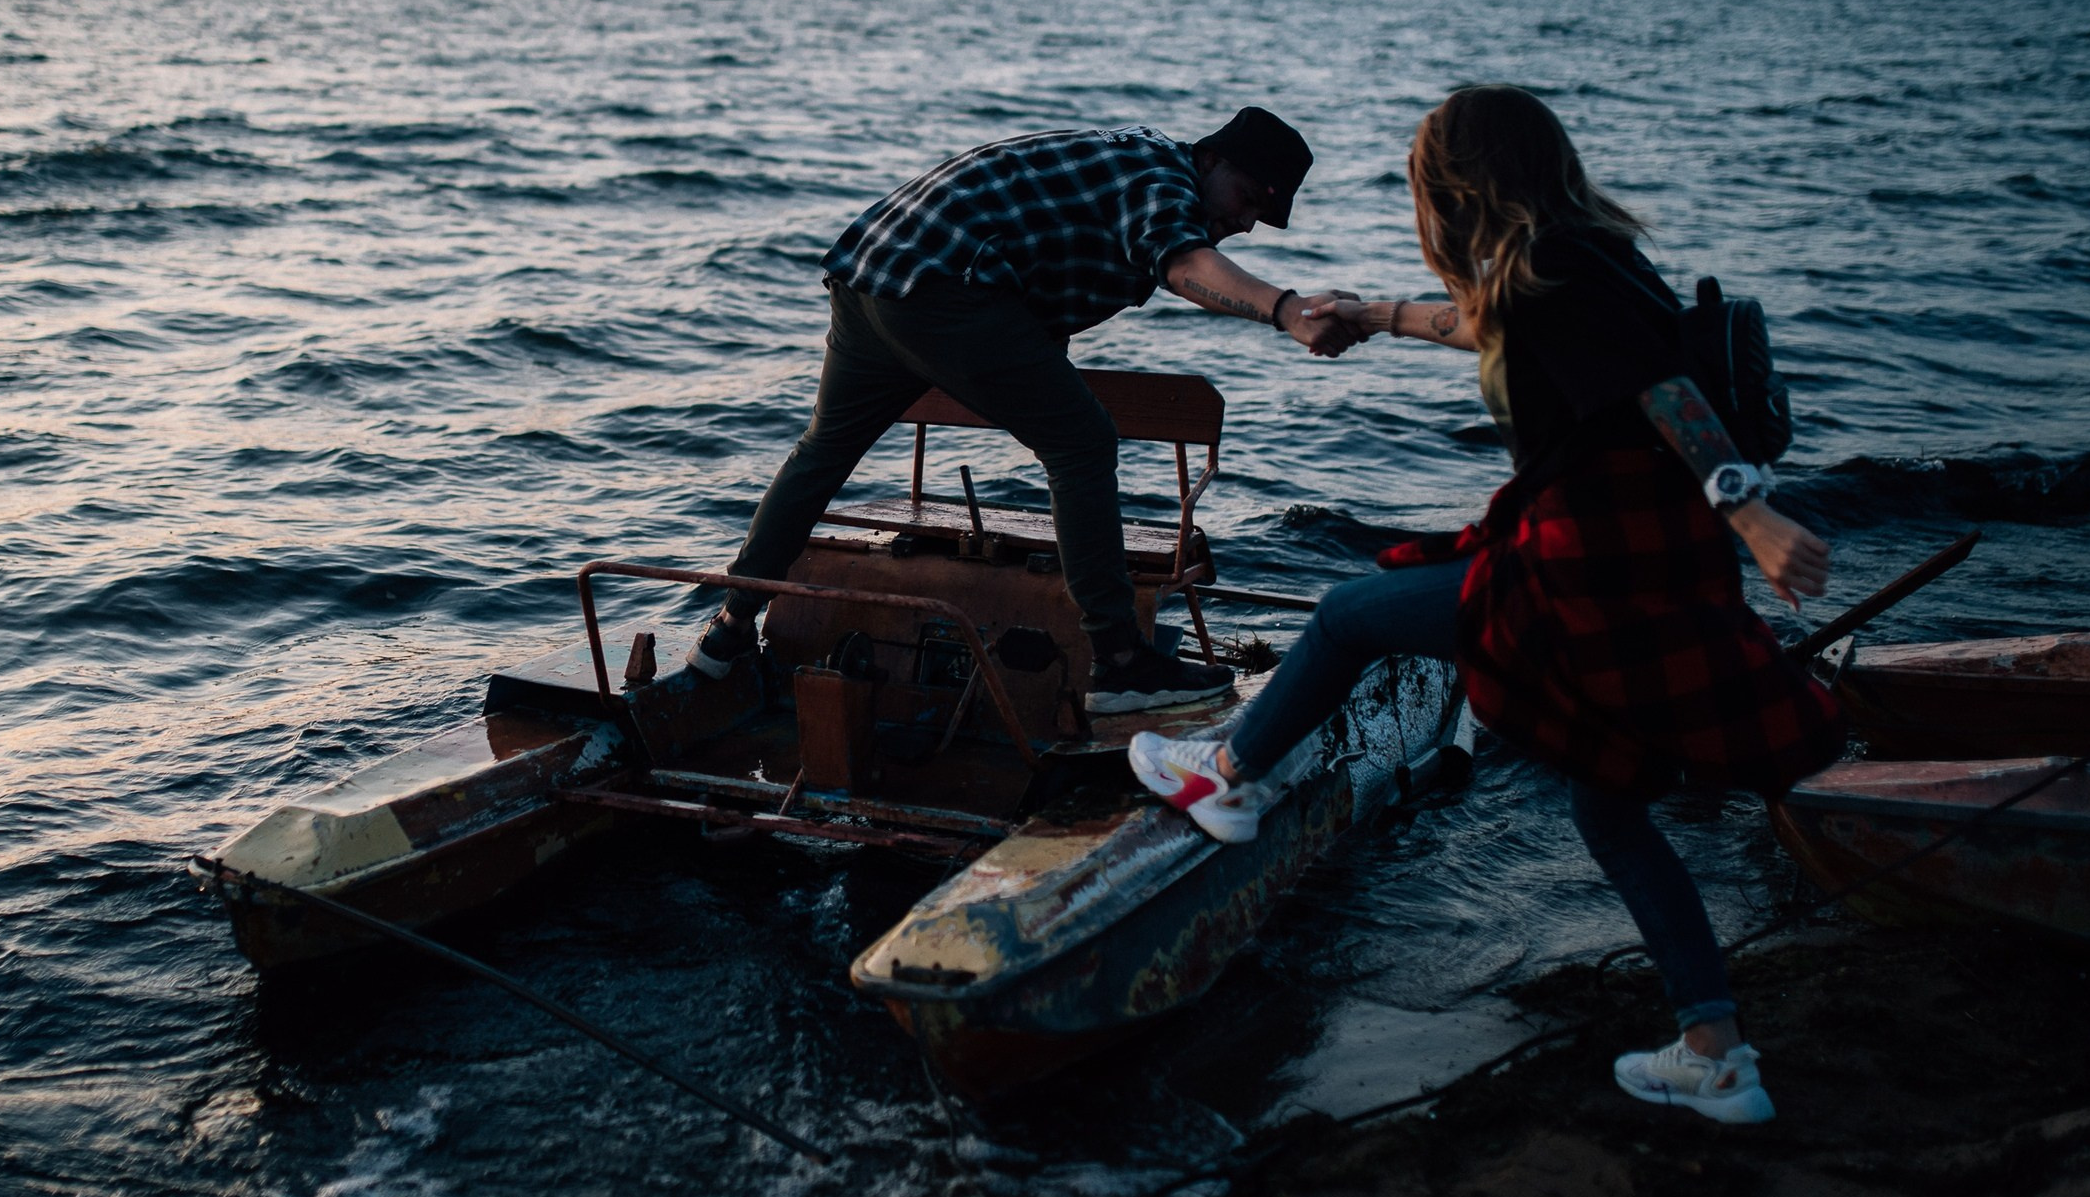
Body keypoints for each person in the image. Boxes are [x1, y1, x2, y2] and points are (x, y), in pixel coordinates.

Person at [1128, 85, 1844, 1125]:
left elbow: (1665, 392)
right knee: (1609, 805)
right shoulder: (1575, 260)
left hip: (1587, 569)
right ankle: (1717, 1053)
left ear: (1454, 185)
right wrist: (1372, 317)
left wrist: (1755, 514)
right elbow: (1483, 323)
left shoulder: (1559, 271)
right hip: (1644, 559)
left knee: (1350, 614)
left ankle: (1226, 775)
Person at [688, 109, 1363, 713]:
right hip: (940, 280)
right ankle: (1122, 664)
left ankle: (729, 629)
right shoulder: (1162, 177)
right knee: (1084, 444)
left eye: (1261, 219)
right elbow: (1184, 264)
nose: (1244, 223)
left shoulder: (1124, 162)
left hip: (875, 275)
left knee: (822, 452)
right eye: (1247, 200)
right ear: (1210, 159)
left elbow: (1042, 286)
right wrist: (1284, 309)